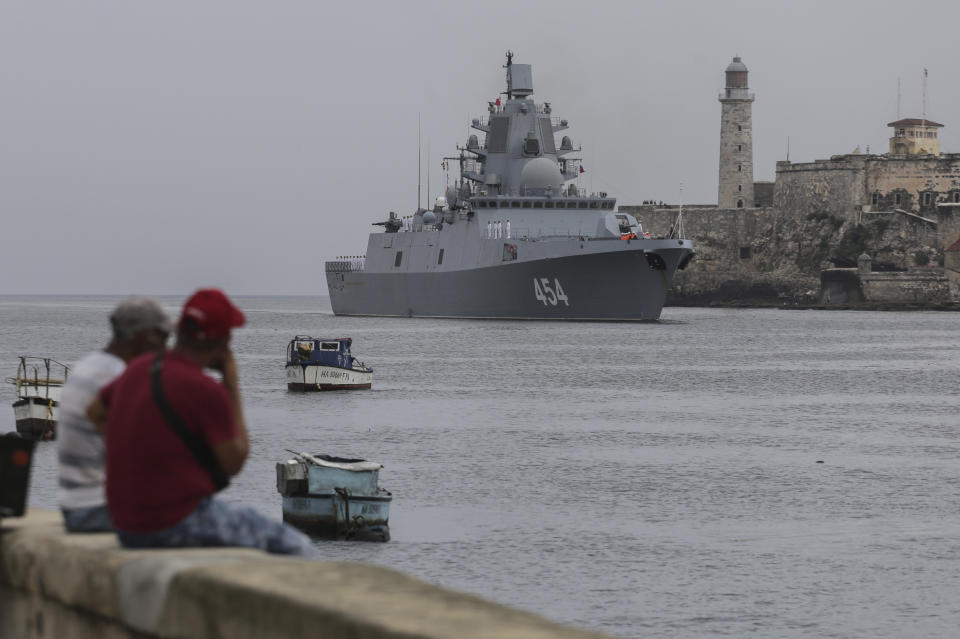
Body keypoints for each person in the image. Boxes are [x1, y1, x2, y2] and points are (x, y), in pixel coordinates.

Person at [88, 289, 314, 556]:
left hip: (125, 523)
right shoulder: (206, 390)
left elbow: (94, 412)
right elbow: (234, 462)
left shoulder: (142, 367)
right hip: (174, 523)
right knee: (298, 546)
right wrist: (231, 384)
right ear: (223, 341)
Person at [58, 297, 172, 533]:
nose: (165, 348)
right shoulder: (121, 377)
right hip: (101, 510)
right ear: (144, 336)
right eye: (163, 337)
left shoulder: (87, 365)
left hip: (75, 505)